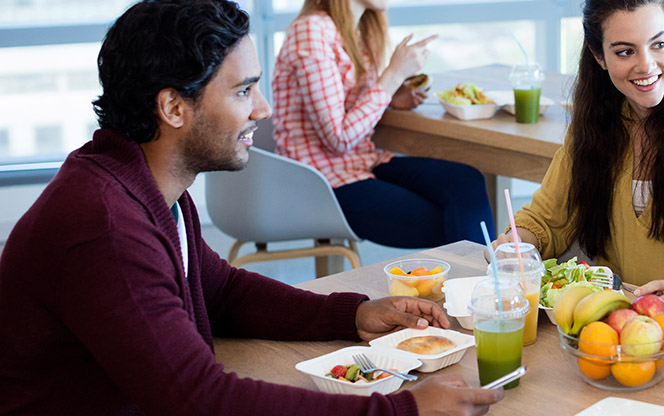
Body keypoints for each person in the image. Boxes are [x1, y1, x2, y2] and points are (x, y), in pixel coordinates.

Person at [0, 1, 501, 414]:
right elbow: (199, 399)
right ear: (173, 108)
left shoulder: (146, 188)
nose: (262, 109)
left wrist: (355, 315)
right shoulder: (104, 225)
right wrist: (401, 410)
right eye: (243, 90)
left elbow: (223, 293)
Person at [491, 0, 664, 314]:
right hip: (612, 323)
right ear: (599, 56)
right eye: (625, 51)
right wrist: (516, 246)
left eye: (659, 44)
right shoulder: (595, 123)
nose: (646, 65)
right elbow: (546, 220)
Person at [273, 0, 494, 248]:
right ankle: (481, 283)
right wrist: (394, 75)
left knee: (467, 181)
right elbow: (339, 139)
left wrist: (391, 97)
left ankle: (479, 282)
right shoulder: (310, 32)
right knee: (456, 221)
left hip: (362, 162)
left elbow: (345, 108)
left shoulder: (357, 31)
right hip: (323, 182)